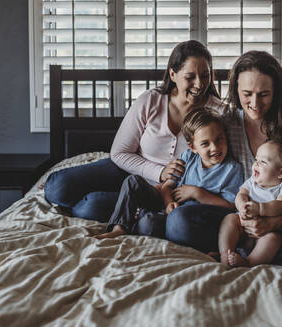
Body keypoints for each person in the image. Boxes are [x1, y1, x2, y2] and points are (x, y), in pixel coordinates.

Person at [165, 50, 282, 265]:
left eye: (264, 94)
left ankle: (250, 256)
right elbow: (203, 152)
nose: (255, 102)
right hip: (237, 219)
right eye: (247, 94)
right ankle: (238, 250)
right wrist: (171, 175)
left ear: (277, 91)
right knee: (178, 222)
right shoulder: (229, 122)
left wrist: (275, 222)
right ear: (236, 90)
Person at [44, 40, 223, 221]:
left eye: (205, 76)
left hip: (165, 192)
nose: (199, 84)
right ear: (173, 74)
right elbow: (120, 153)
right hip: (128, 170)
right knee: (57, 187)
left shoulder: (219, 113)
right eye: (190, 77)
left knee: (89, 207)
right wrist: (159, 172)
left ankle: (137, 208)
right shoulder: (151, 100)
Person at [95, 109, 243, 239]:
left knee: (148, 224)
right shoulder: (188, 158)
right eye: (205, 144)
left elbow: (230, 206)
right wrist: (168, 203)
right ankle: (119, 228)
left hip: (191, 217)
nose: (215, 147)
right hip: (169, 208)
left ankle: (142, 219)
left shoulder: (232, 169)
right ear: (193, 147)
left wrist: (197, 193)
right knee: (133, 181)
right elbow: (167, 187)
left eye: (219, 139)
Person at [218, 140, 282, 267]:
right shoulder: (252, 182)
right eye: (256, 159)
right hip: (243, 226)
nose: (256, 164)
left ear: (281, 172)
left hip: (265, 233)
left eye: (263, 162)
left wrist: (260, 208)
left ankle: (249, 262)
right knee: (230, 219)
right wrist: (241, 205)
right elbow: (241, 194)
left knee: (274, 239)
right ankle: (225, 254)